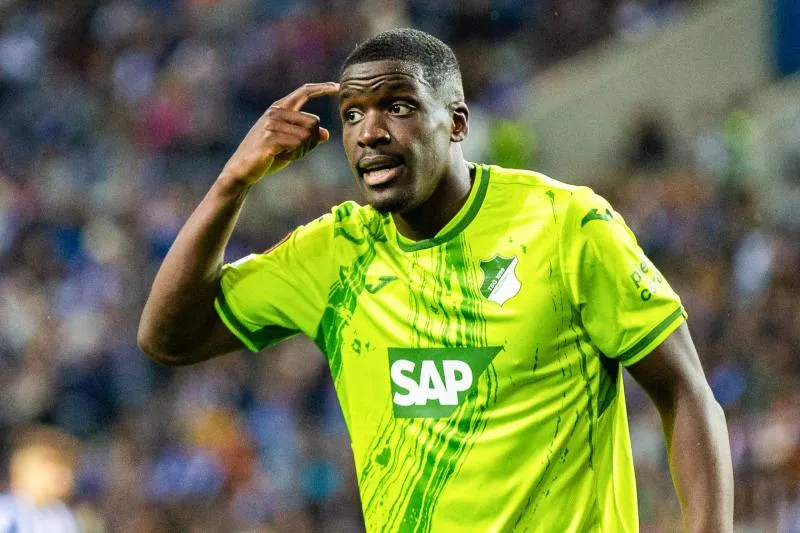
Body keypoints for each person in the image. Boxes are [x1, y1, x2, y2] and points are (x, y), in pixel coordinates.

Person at [138, 28, 734, 532]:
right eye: (351, 114)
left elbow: (684, 391)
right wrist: (231, 184)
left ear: (455, 122)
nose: (370, 131)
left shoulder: (563, 225)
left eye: (397, 107)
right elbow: (168, 337)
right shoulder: (335, 253)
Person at [0, 426, 81, 533]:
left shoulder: (62, 515)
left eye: (67, 467)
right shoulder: (5, 513)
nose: (63, 474)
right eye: (50, 466)